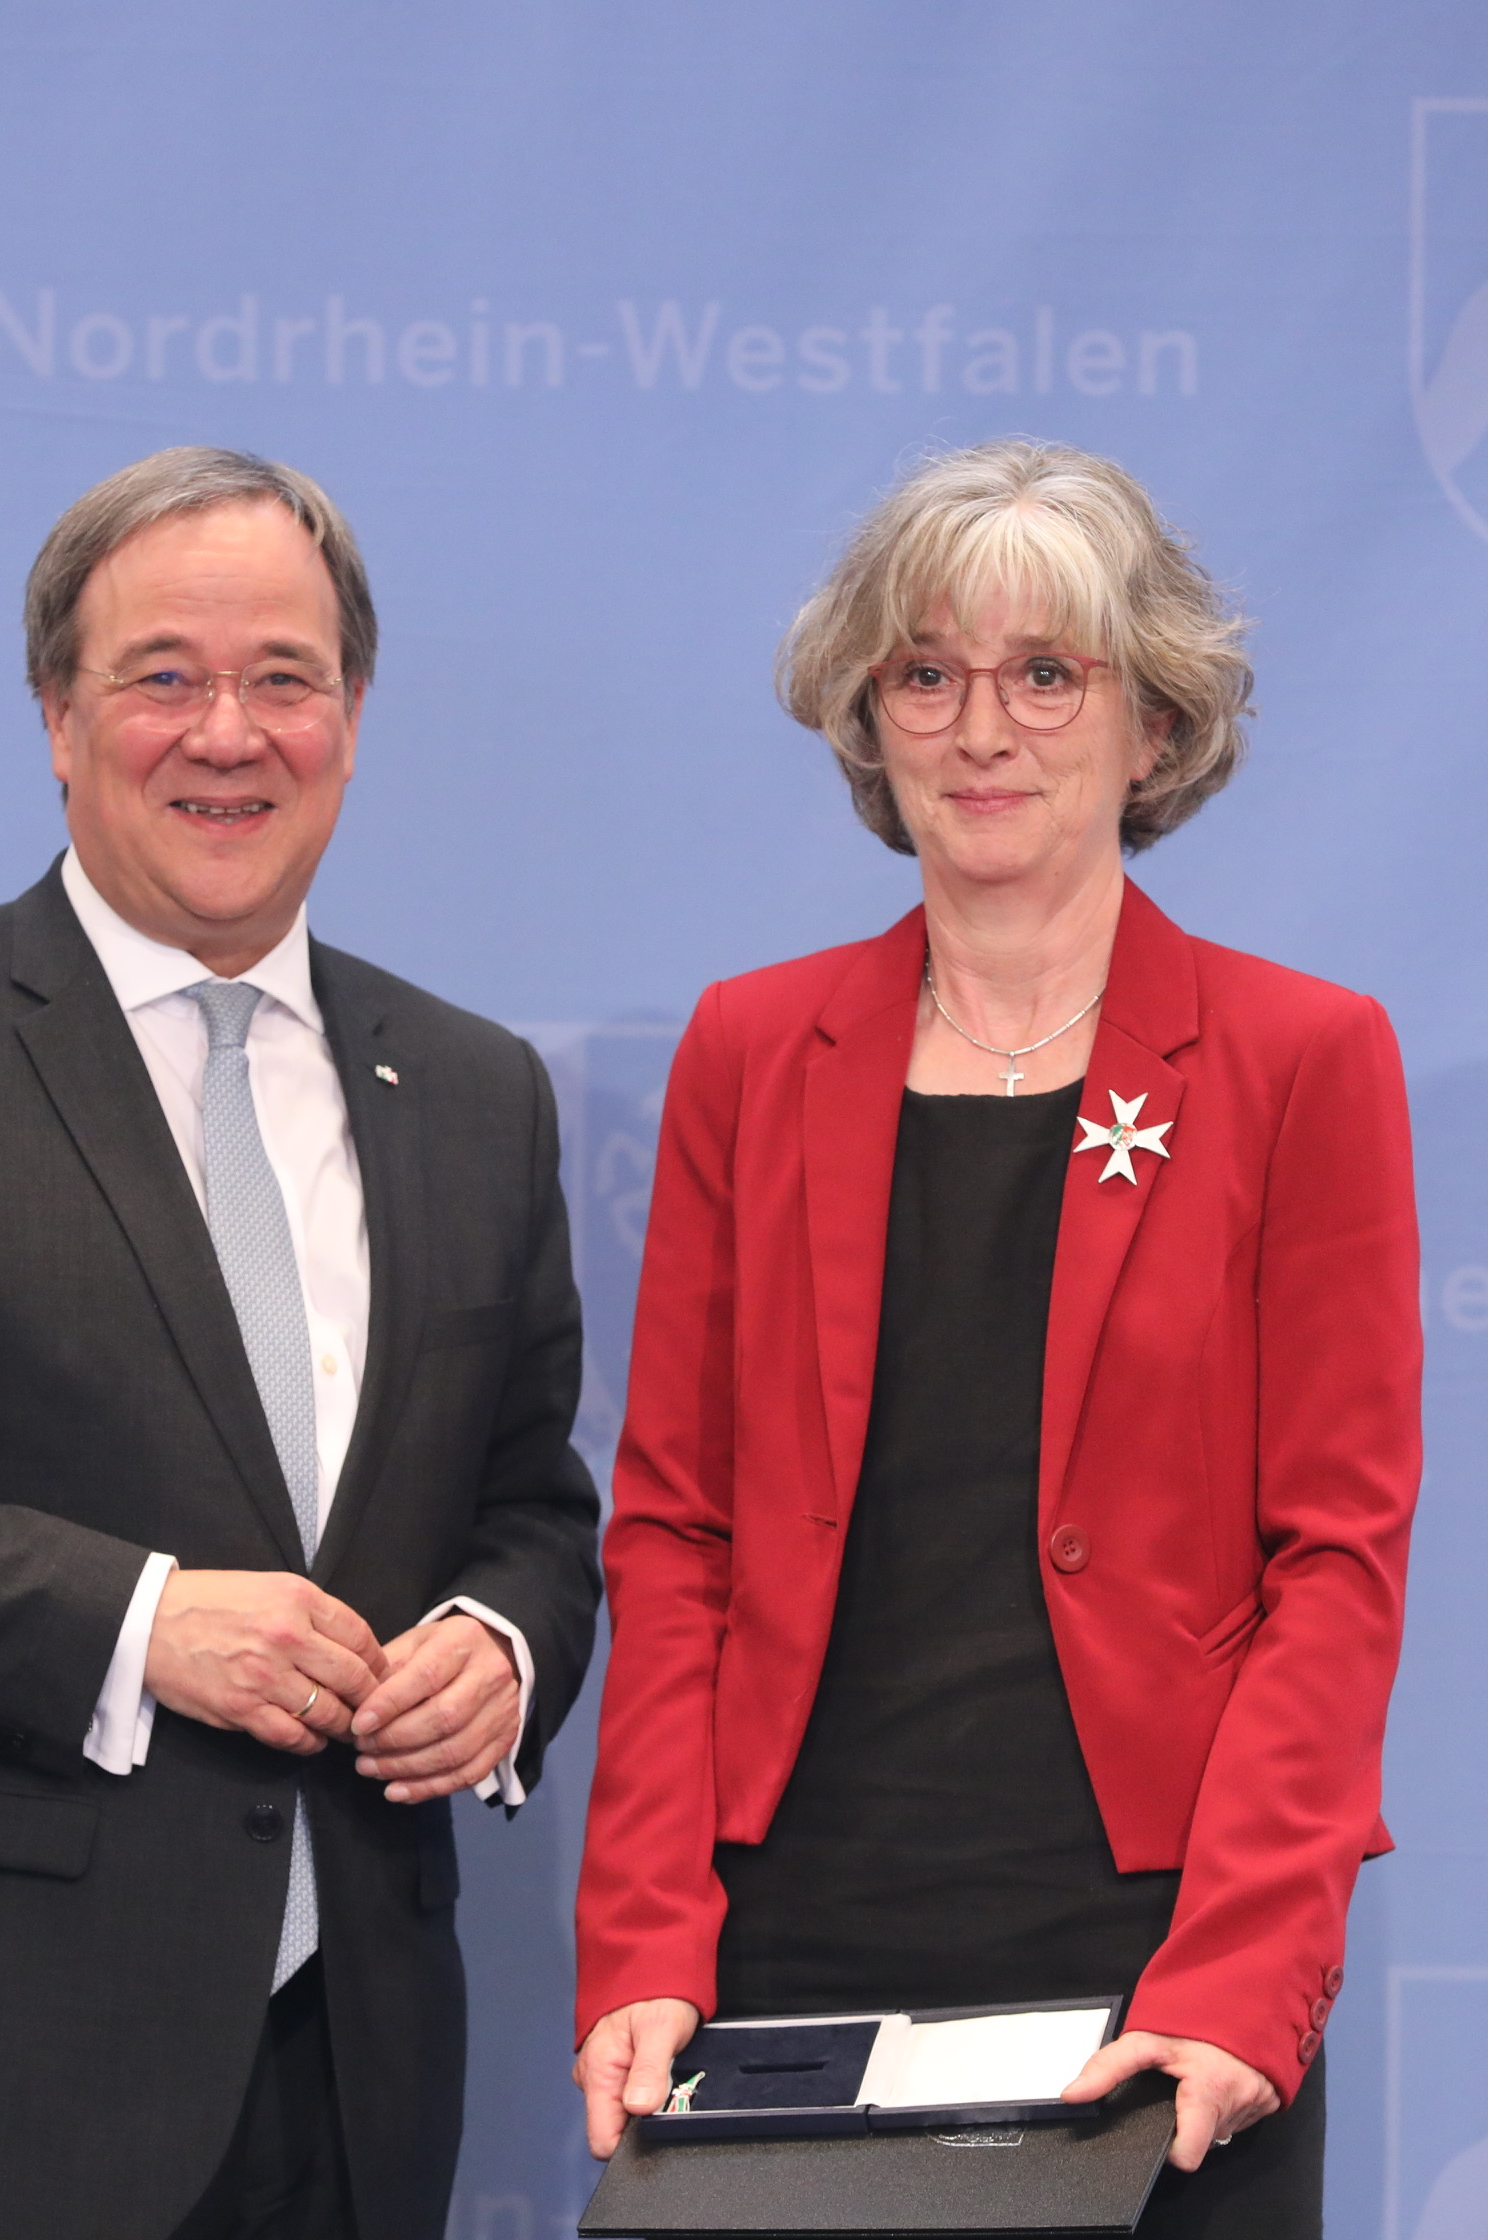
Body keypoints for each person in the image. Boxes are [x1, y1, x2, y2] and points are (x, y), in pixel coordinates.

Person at [0, 446, 603, 2240]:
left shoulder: (477, 1091)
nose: (227, 734)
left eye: (283, 679)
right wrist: (140, 1623)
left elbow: (531, 1506)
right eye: (164, 675)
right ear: (58, 716)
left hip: (354, 2083)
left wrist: (499, 1647)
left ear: (354, 716)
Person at [569, 439, 1419, 2231]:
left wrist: (1243, 1976)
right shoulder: (749, 1051)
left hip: (1157, 1964)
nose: (981, 730)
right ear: (868, 720)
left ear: (1155, 726)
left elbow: (1334, 1564)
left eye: (1046, 674)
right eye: (925, 675)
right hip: (785, 1948)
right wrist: (644, 1939)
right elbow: (675, 1536)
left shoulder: (1302, 1060)